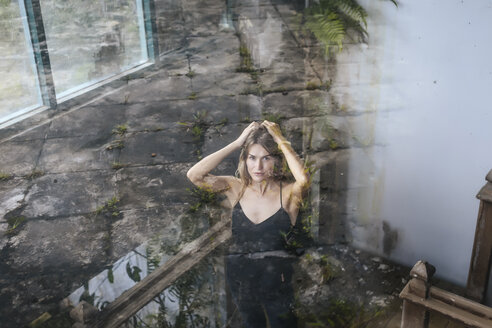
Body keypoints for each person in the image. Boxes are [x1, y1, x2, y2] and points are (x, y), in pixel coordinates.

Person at [187, 120, 310, 327]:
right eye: (252, 158)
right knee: (252, 323)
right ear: (244, 160)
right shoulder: (235, 188)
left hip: (277, 282)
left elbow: (304, 180)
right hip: (240, 279)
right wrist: (237, 143)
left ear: (277, 161)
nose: (258, 167)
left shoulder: (288, 194)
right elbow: (194, 175)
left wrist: (281, 140)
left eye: (266, 158)